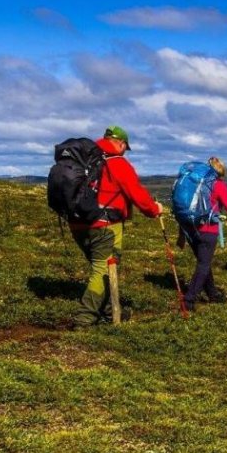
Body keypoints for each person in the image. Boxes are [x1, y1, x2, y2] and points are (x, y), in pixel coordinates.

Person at [68, 126, 163, 328]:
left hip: (77, 223)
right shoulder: (117, 162)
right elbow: (136, 193)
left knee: (102, 267)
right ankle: (84, 319)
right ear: (121, 143)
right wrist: (154, 210)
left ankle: (111, 310)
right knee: (103, 269)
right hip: (105, 224)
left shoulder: (86, 158)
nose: (124, 151)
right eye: (125, 147)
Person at [176, 157, 227, 311]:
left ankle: (212, 294)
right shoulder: (219, 185)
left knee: (203, 263)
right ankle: (189, 300)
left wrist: (182, 234)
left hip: (192, 229)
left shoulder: (196, 183)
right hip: (208, 231)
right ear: (221, 172)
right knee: (203, 265)